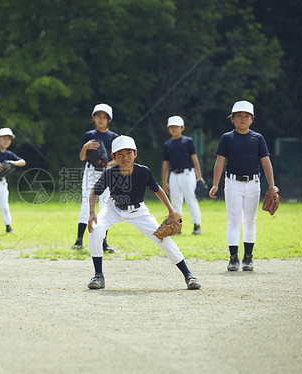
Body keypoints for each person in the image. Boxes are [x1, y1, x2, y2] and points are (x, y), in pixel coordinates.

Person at [86, 135, 201, 290]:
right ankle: (98, 276)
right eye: (120, 154)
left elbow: (157, 190)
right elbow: (94, 191)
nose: (125, 157)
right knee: (95, 231)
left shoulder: (143, 171)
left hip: (138, 211)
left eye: (128, 153)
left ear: (135, 154)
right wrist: (92, 213)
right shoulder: (109, 173)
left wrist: (171, 211)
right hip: (112, 208)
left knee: (164, 239)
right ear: (113, 157)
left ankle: (188, 275)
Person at [209, 100, 276, 271]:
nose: (242, 119)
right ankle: (233, 259)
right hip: (232, 183)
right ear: (232, 119)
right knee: (233, 221)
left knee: (250, 221)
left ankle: (248, 258)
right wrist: (215, 184)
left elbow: (266, 162)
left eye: (246, 116)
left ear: (252, 119)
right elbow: (219, 162)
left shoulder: (258, 138)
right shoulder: (227, 138)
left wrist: (272, 186)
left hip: (253, 183)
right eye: (238, 116)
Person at [72, 103, 118, 253]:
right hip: (91, 172)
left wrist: (106, 164)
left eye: (104, 117)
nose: (101, 119)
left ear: (108, 120)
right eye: (98, 116)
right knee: (86, 204)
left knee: (105, 206)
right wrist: (85, 147)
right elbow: (81, 157)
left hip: (107, 172)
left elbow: (119, 158)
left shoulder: (114, 137)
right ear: (93, 118)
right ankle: (79, 241)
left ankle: (104, 242)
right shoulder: (89, 135)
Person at [161, 115, 204, 235]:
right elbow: (165, 164)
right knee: (175, 201)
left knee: (191, 199)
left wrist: (199, 177)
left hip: (187, 174)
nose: (174, 129)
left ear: (182, 128)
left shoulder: (188, 141)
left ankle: (197, 225)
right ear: (168, 128)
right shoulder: (167, 144)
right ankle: (177, 226)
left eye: (176, 127)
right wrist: (164, 182)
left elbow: (194, 159)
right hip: (173, 175)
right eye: (171, 127)